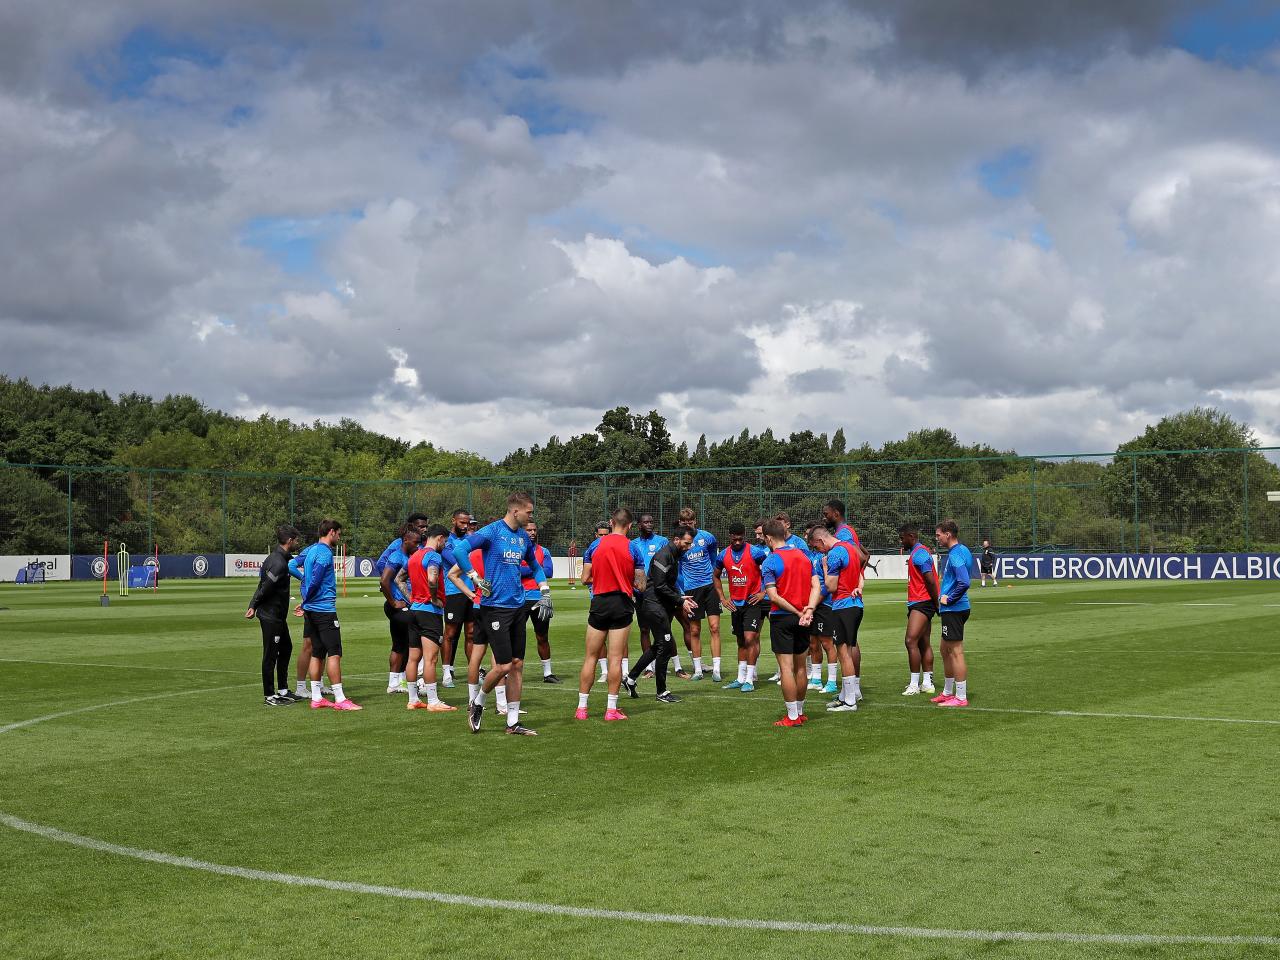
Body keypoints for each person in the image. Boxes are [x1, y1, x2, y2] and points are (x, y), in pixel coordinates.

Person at [450, 492, 551, 735]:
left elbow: (535, 566)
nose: (531, 516)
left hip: (517, 607)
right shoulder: (492, 531)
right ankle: (478, 703)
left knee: (517, 665)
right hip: (494, 607)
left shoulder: (522, 537)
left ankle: (512, 723)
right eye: (529, 512)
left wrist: (545, 591)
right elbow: (460, 551)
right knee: (503, 666)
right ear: (515, 511)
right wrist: (475, 577)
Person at [575, 508, 646, 721]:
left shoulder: (595, 546)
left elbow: (584, 579)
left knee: (591, 657)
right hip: (621, 604)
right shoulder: (633, 548)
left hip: (599, 602)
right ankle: (611, 709)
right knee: (616, 658)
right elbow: (641, 585)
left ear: (611, 522)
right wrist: (624, 579)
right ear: (630, 526)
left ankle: (582, 708)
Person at [622, 525, 695, 704]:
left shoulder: (673, 555)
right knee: (665, 647)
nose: (688, 547)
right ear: (676, 540)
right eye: (686, 543)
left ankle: (630, 679)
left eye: (690, 544)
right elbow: (660, 585)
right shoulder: (664, 555)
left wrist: (680, 597)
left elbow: (667, 584)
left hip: (661, 606)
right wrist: (680, 601)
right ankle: (661, 692)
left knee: (659, 646)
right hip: (654, 606)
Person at [759, 519, 819, 727]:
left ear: (768, 538)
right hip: (804, 617)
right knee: (801, 668)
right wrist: (808, 610)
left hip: (783, 618)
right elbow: (816, 586)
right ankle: (799, 711)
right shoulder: (803, 556)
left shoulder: (770, 561)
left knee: (786, 668)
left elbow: (773, 597)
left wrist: (797, 611)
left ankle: (792, 716)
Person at [301, 519, 360, 710]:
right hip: (324, 610)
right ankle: (340, 699)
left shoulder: (311, 551)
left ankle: (316, 697)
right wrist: (306, 600)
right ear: (332, 532)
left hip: (312, 610)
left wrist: (305, 601)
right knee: (334, 652)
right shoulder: (325, 553)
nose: (339, 537)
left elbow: (304, 577)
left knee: (317, 653)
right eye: (339, 534)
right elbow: (315, 579)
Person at [808, 524, 863, 712]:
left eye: (816, 546)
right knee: (847, 650)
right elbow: (860, 572)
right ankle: (845, 695)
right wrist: (858, 587)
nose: (818, 550)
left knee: (843, 653)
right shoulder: (851, 548)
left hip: (842, 606)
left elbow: (831, 586)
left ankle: (850, 701)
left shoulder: (834, 553)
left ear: (820, 540)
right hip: (856, 605)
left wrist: (824, 568)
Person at [245, 524, 302, 705]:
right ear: (290, 540)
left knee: (286, 648)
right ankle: (269, 695)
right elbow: (265, 587)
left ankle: (283, 690)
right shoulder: (278, 563)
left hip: (278, 616)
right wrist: (253, 605)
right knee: (270, 654)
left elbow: (263, 583)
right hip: (271, 615)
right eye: (296, 540)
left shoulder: (280, 557)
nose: (298, 543)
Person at [713, 522, 769, 692]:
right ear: (730, 536)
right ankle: (740, 678)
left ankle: (750, 680)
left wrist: (763, 592)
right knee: (740, 641)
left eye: (740, 539)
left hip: (752, 602)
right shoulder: (723, 555)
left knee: (750, 639)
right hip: (735, 605)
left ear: (744, 536)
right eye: (734, 539)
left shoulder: (755, 552)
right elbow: (715, 576)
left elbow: (770, 571)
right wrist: (723, 598)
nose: (737, 542)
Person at [377, 518, 426, 694]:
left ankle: (394, 683)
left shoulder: (410, 556)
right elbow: (384, 581)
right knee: (414, 640)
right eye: (415, 542)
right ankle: (411, 680)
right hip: (398, 606)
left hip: (403, 605)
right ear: (406, 540)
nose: (418, 546)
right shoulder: (396, 556)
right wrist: (393, 601)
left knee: (399, 644)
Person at [675, 507, 722, 681]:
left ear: (695, 521)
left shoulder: (707, 537)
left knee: (714, 627)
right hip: (692, 590)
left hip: (710, 587)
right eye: (684, 523)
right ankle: (698, 670)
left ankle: (717, 670)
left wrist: (712, 575)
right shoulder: (678, 543)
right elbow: (677, 570)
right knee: (694, 630)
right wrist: (682, 590)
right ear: (680, 523)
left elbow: (713, 557)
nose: (688, 525)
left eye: (690, 522)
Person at [934, 520, 973, 707]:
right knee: (944, 649)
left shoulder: (956, 554)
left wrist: (949, 599)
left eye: (938, 535)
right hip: (957, 608)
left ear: (948, 534)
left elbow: (964, 581)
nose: (937, 538)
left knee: (956, 652)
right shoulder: (963, 550)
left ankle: (961, 697)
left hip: (954, 609)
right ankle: (948, 692)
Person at [899, 523, 939, 696]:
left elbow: (930, 580)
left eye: (902, 538)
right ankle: (927, 683)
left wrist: (936, 603)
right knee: (923, 642)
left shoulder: (920, 553)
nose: (901, 542)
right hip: (922, 601)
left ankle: (914, 684)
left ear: (911, 537)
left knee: (910, 641)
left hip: (922, 602)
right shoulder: (919, 552)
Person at [520, 520, 559, 683]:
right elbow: (514, 570)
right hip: (519, 599)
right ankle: (510, 673)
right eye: (529, 530)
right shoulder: (516, 550)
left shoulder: (544, 551)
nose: (532, 533)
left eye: (534, 530)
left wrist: (526, 570)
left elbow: (549, 572)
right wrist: (536, 569)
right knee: (516, 637)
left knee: (542, 636)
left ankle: (547, 673)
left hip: (539, 598)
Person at [440, 510, 475, 689]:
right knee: (450, 633)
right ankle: (447, 672)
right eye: (462, 522)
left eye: (467, 523)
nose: (465, 526)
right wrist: (470, 559)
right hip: (453, 591)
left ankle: (473, 670)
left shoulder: (470, 540)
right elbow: (455, 561)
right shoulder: (447, 542)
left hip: (472, 591)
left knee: (471, 633)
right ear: (453, 520)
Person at [631, 512, 669, 676]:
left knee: (662, 629)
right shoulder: (632, 544)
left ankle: (667, 665)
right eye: (645, 522)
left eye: (651, 522)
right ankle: (648, 667)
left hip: (657, 592)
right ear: (639, 525)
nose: (649, 525)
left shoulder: (662, 541)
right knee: (644, 629)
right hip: (639, 593)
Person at [806, 526, 840, 696]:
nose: (808, 539)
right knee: (813, 643)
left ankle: (832, 681)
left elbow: (827, 586)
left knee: (827, 643)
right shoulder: (811, 556)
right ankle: (816, 679)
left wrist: (813, 604)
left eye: (809, 535)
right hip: (813, 605)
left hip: (825, 605)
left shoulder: (825, 556)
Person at [581, 520, 617, 683]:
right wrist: (604, 579)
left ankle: (623, 671)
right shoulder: (591, 550)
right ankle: (604, 671)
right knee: (599, 637)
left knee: (618, 636)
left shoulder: (616, 549)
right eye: (600, 535)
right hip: (597, 597)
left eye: (606, 535)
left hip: (616, 597)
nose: (603, 537)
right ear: (596, 535)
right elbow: (585, 578)